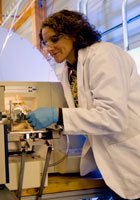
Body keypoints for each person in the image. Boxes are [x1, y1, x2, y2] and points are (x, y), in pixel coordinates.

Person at [26, 9, 140, 200]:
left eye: (55, 39)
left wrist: (58, 115)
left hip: (132, 156)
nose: (49, 48)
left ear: (74, 33)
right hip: (112, 164)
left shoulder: (103, 55)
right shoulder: (68, 70)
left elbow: (112, 116)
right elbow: (88, 115)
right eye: (45, 43)